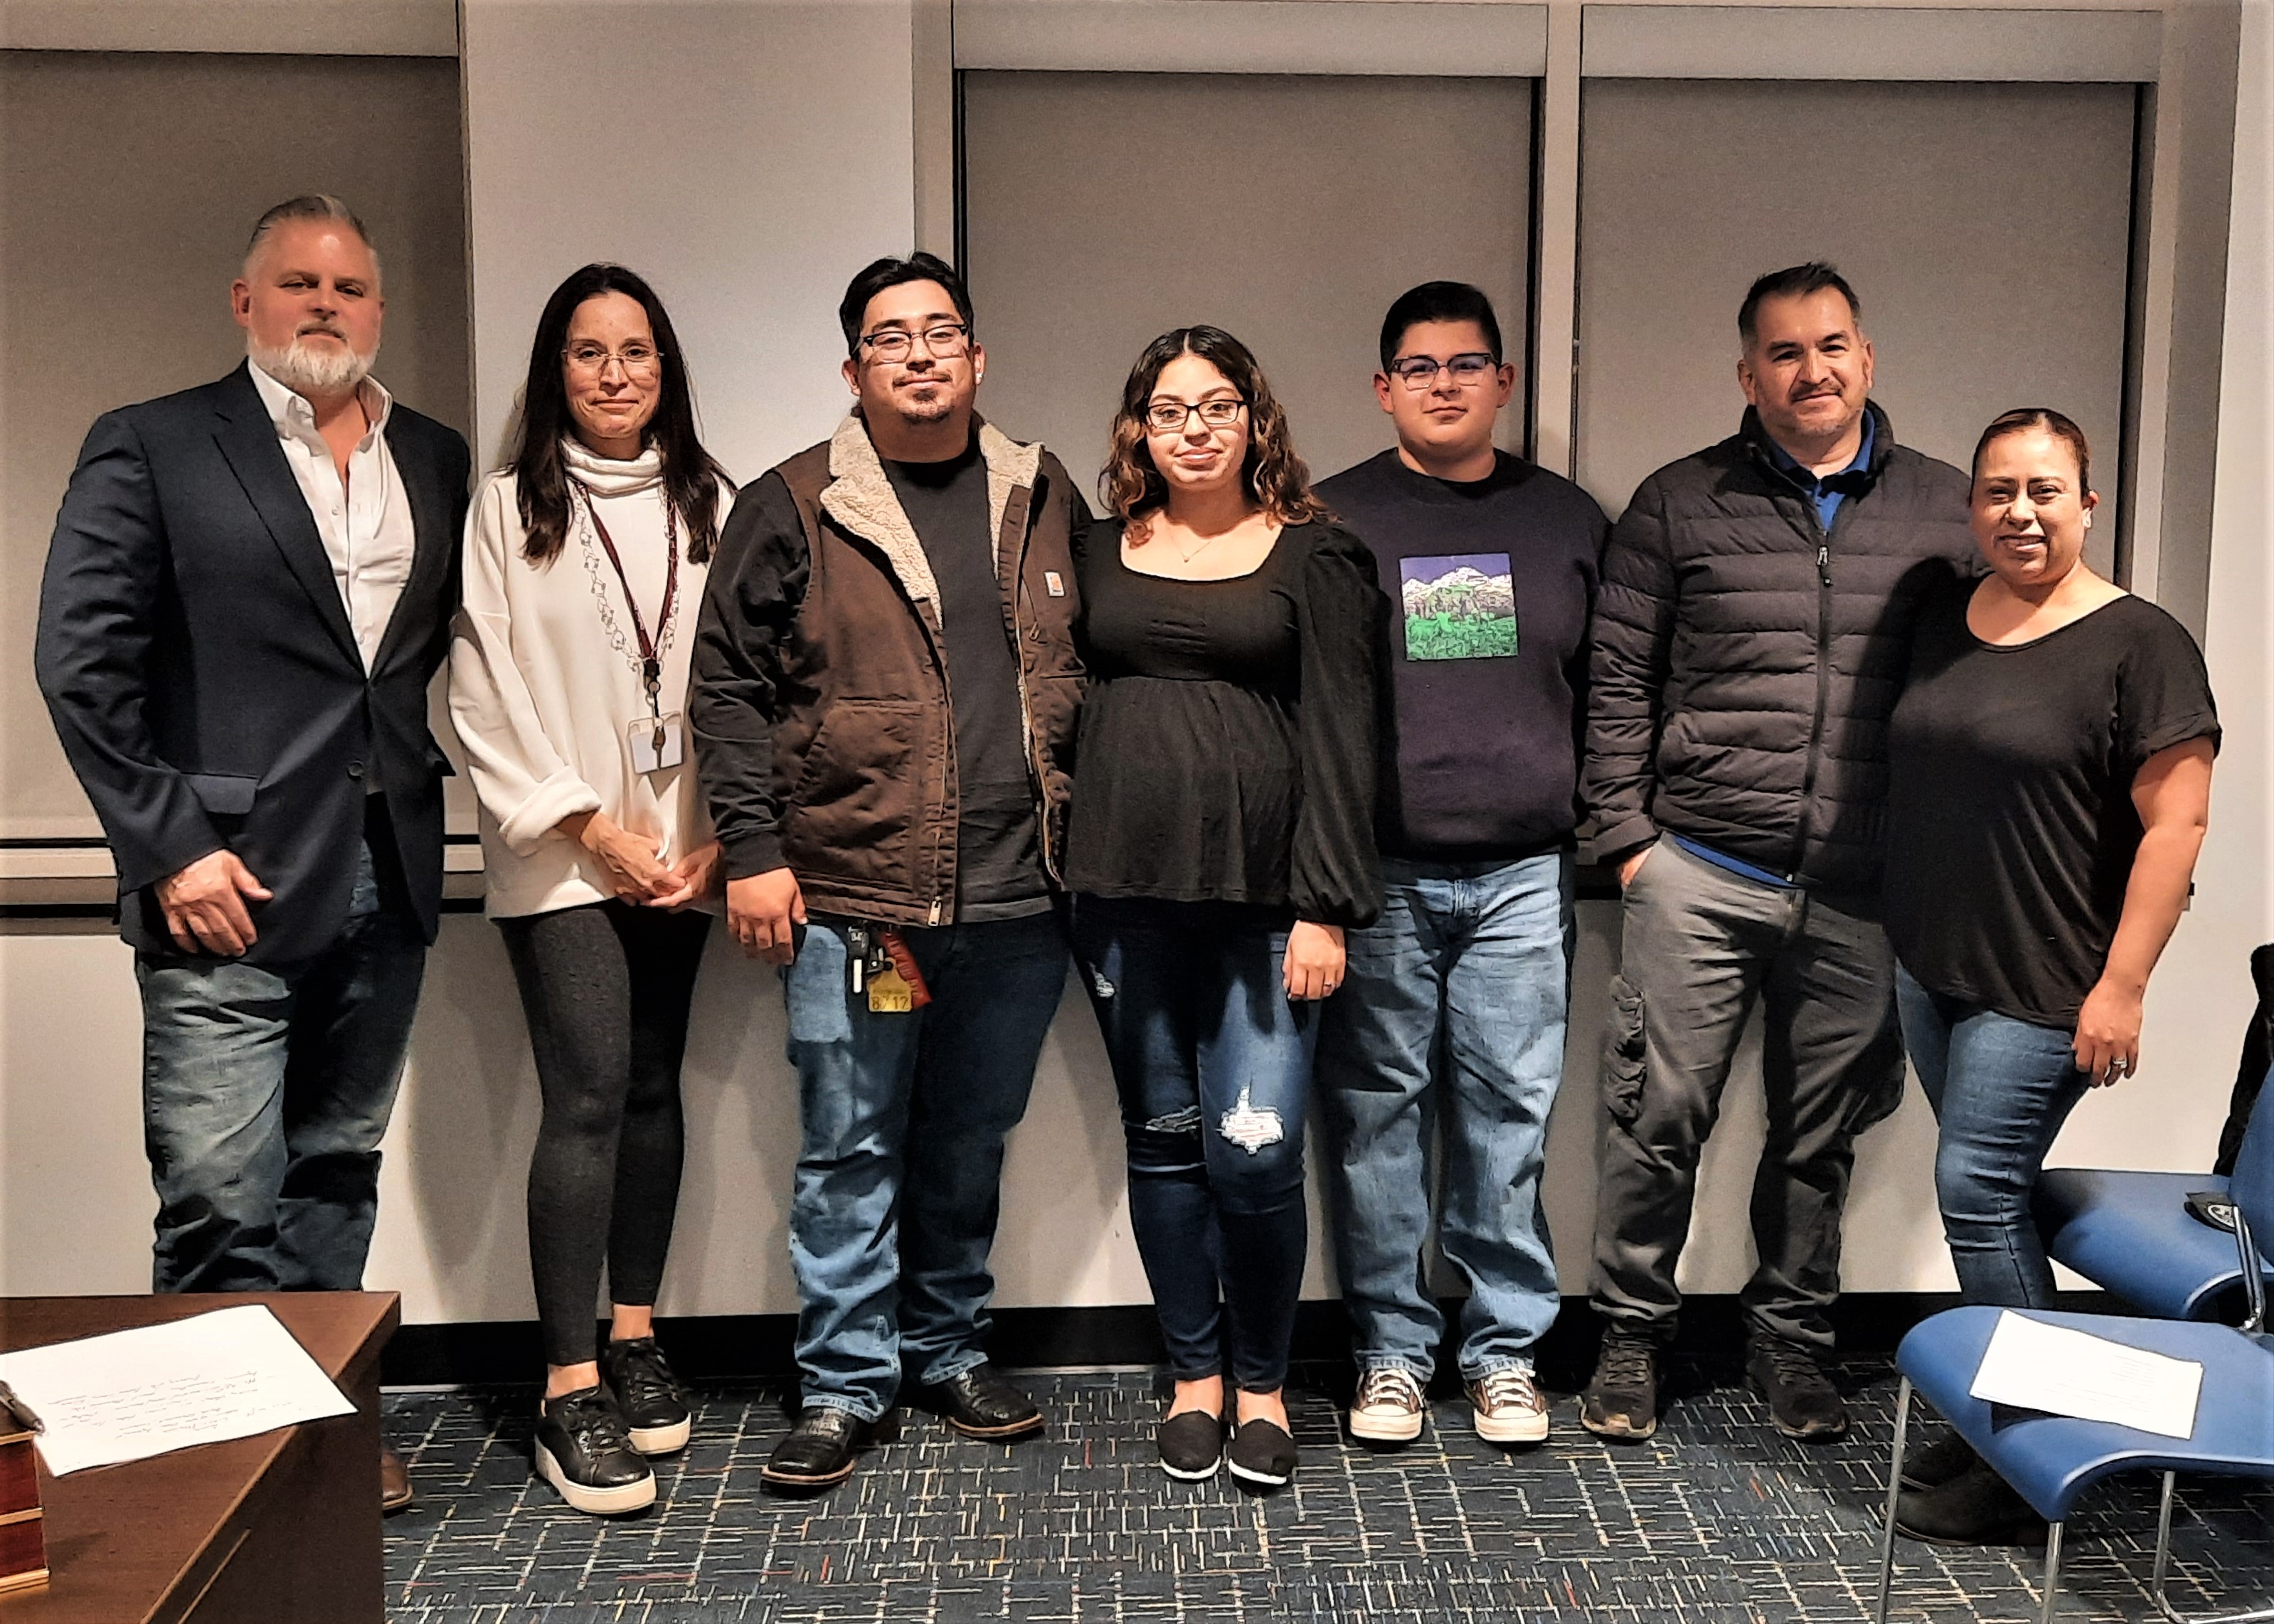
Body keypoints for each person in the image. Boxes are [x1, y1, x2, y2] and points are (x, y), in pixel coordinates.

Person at [35, 194, 471, 1513]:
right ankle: (213, 1474)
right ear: (245, 301)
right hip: (220, 880)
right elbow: (82, 664)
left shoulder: (433, 455)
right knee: (220, 1193)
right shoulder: (155, 444)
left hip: (387, 865)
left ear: (378, 309)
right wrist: (170, 850)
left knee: (335, 1172)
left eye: (348, 288)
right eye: (297, 283)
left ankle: (320, 1438)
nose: (324, 306)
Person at [692, 253, 1088, 1492]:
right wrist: (752, 853)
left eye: (940, 332)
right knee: (850, 1149)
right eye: (889, 337)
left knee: (969, 1140)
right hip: (860, 901)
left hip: (1019, 897)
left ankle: (948, 1351)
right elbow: (725, 688)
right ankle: (843, 1384)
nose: (918, 354)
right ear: (852, 368)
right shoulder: (793, 503)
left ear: (977, 356)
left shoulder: (1042, 491)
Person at [1582, 262, 1974, 1443]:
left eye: (1831, 346)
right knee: (1655, 1120)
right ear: (1747, 373)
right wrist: (1628, 843)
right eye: (1785, 352)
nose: (1812, 371)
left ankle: (1791, 1344)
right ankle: (1629, 1338)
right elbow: (1616, 680)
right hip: (1700, 872)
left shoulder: (1946, 509)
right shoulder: (1676, 501)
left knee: (1819, 1138)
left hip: (1864, 889)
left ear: (1867, 357)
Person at [1885, 409, 2216, 1544]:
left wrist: (2121, 987)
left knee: (1976, 1189)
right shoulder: (1941, 615)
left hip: (2049, 977)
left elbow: (2175, 827)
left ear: (2085, 502)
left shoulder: (2140, 642)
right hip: (1931, 961)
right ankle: (2007, 1405)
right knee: (1992, 1194)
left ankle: (2039, 1446)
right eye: (1997, 491)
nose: (2018, 513)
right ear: (1971, 506)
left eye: (2042, 490)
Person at [1066, 325, 1385, 1489]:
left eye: (1215, 407)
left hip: (1267, 912)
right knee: (1161, 1149)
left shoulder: (1318, 555)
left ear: (1255, 421)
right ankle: (1192, 1379)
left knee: (1254, 1157)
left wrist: (1325, 908)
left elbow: (1347, 738)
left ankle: (1263, 1385)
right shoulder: (1094, 549)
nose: (1192, 429)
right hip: (1121, 900)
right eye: (1168, 410)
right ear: (1138, 429)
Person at [449, 264, 734, 1514]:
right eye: (587, 351)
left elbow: (751, 677)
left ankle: (632, 1337)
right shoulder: (505, 509)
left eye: (636, 351)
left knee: (656, 1085)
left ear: (666, 369)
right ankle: (566, 1390)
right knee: (587, 1091)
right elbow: (479, 688)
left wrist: (720, 840)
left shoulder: (713, 501)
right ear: (552, 369)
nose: (614, 375)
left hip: (684, 852)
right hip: (561, 847)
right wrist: (589, 828)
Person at [1313, 283, 1605, 1448]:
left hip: (1524, 873)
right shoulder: (1328, 517)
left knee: (1506, 1120)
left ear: (1504, 381)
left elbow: (1612, 691)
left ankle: (1503, 1355)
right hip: (1376, 873)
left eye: (1466, 363)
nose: (1444, 384)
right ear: (1383, 388)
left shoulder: (1569, 518)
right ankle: (1390, 1354)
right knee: (1376, 1119)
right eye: (1419, 367)